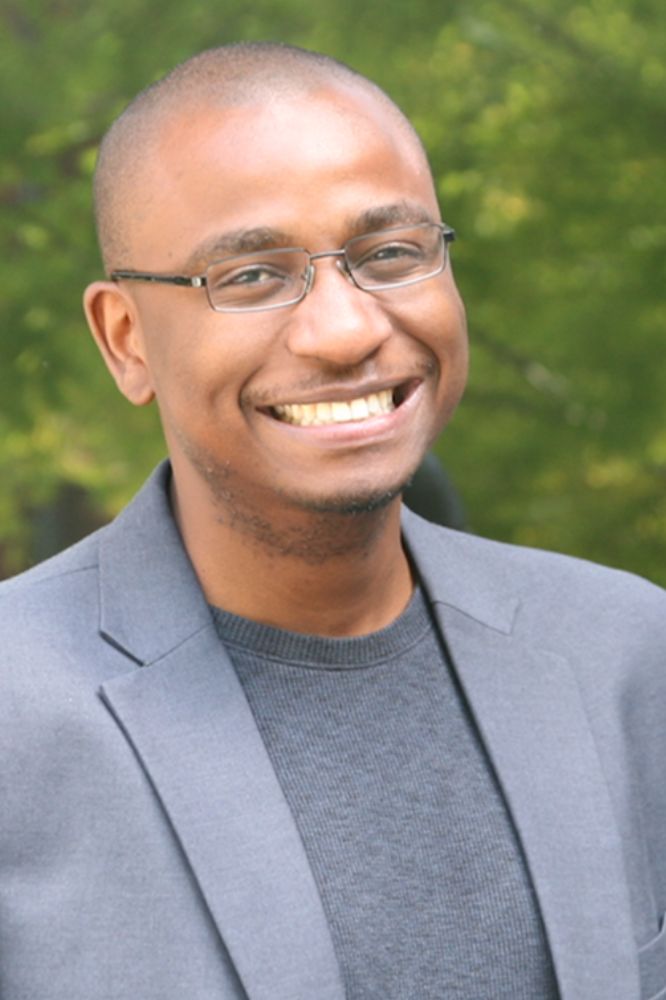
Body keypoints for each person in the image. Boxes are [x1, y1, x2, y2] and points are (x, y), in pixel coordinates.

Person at [1, 42, 665, 1000]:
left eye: (390, 255)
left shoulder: (626, 658)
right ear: (125, 339)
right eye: (253, 277)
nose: (347, 329)